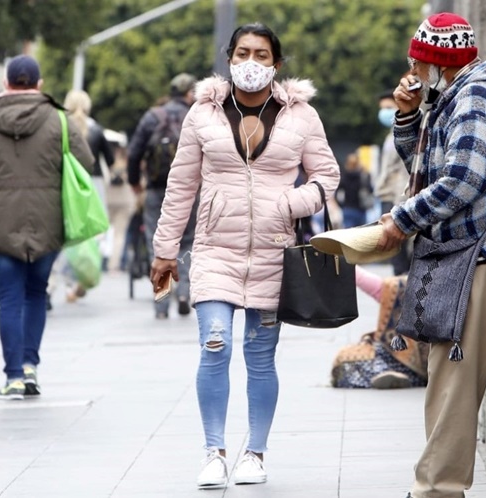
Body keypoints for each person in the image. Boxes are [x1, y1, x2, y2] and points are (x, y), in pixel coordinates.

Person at [148, 23, 340, 489]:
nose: (250, 63)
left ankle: (255, 452)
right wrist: (165, 250)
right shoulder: (203, 114)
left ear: (276, 62)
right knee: (215, 343)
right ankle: (213, 451)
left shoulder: (301, 116)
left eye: (261, 54)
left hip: (276, 254)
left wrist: (289, 205)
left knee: (260, 355)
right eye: (242, 53)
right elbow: (181, 186)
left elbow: (326, 176)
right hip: (215, 250)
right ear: (229, 57)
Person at [375, 13, 486, 498]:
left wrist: (401, 220)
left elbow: (462, 180)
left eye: (419, 65)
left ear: (441, 62)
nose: (414, 72)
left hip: (474, 258)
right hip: (455, 254)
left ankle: (438, 490)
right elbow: (427, 170)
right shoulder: (453, 97)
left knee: (454, 389)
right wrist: (407, 116)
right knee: (443, 384)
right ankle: (436, 486)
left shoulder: (478, 98)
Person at [0, 55, 94, 400]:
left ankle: (13, 376)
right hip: (48, 220)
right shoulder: (59, 119)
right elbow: (85, 162)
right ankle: (30, 366)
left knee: (9, 298)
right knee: (35, 294)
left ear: (5, 85)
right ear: (39, 85)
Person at [127, 73, 198, 318]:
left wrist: (136, 183)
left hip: (157, 191)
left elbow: (134, 154)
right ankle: (183, 293)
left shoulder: (152, 116)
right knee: (188, 242)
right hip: (191, 191)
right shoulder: (197, 116)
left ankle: (161, 304)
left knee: (158, 246)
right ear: (190, 93)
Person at [58, 89, 116, 302]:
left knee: (68, 233)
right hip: (94, 185)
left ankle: (65, 282)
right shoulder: (97, 130)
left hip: (69, 185)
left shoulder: (61, 126)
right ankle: (84, 277)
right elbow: (109, 161)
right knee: (94, 234)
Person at [331, 266, 429, 389]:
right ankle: (398, 376)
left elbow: (378, 288)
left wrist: (341, 262)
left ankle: (391, 375)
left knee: (344, 363)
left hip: (401, 358)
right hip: (436, 361)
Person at [374, 89, 412, 276]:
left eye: (389, 108)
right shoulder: (390, 135)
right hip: (388, 194)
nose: (384, 113)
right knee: (395, 252)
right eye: (382, 109)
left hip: (401, 196)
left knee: (402, 249)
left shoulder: (405, 132)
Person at [335, 152, 374, 228]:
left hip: (347, 209)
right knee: (361, 235)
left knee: (348, 236)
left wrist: (342, 205)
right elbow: (370, 190)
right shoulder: (363, 176)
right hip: (360, 209)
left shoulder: (344, 177)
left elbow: (337, 193)